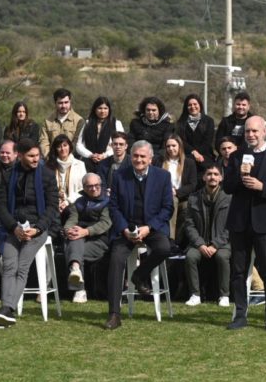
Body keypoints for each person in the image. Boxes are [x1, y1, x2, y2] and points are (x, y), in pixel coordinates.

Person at [224, 116, 266, 331]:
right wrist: (240, 175)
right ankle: (240, 315)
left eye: (254, 131)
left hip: (265, 224)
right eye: (247, 132)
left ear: (264, 132)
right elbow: (227, 187)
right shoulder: (236, 157)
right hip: (240, 223)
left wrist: (262, 186)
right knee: (238, 271)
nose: (251, 135)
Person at [0, 138, 59, 329]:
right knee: (9, 265)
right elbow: (1, 206)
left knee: (22, 267)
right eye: (31, 156)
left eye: (38, 155)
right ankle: (7, 310)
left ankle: (7, 309)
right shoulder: (9, 175)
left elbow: (52, 207)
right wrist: (14, 228)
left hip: (38, 229)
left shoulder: (47, 175)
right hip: (13, 228)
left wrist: (37, 229)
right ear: (20, 155)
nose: (36, 159)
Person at [105, 140, 174, 330]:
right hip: (126, 228)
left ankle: (138, 275)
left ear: (151, 159)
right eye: (135, 156)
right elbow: (113, 207)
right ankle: (114, 314)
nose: (139, 159)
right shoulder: (119, 176)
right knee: (116, 259)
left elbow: (168, 208)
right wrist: (125, 229)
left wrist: (148, 228)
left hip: (151, 228)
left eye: (143, 156)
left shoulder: (163, 177)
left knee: (164, 248)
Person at [182, 164, 232, 307]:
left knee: (222, 257)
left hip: (222, 243)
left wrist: (216, 244)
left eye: (216, 174)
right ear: (204, 177)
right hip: (199, 243)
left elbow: (231, 226)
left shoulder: (229, 198)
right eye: (209, 174)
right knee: (191, 257)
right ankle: (195, 294)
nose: (212, 177)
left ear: (221, 178)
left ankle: (224, 295)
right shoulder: (193, 198)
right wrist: (200, 244)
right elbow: (189, 225)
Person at [63, 172, 111, 304]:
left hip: (100, 241)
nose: (94, 188)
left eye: (96, 185)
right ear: (84, 187)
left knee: (73, 249)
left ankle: (79, 288)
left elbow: (105, 223)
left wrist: (85, 231)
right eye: (90, 186)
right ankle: (76, 269)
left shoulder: (108, 202)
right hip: (80, 239)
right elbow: (72, 219)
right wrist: (68, 230)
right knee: (74, 240)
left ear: (101, 185)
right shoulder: (78, 203)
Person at [154, 134, 197, 242]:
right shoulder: (159, 161)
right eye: (168, 146)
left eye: (174, 145)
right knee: (172, 201)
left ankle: (180, 241)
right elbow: (154, 181)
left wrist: (176, 191)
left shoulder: (189, 162)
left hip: (182, 197)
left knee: (187, 207)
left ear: (180, 146)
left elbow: (192, 184)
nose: (171, 148)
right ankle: (170, 240)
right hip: (163, 198)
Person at [75, 96, 124, 173]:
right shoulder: (87, 123)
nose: (102, 111)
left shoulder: (116, 124)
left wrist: (104, 155)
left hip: (110, 164)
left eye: (105, 108)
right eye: (100, 108)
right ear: (95, 109)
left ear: (109, 109)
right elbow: (79, 145)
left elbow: (121, 144)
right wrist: (91, 155)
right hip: (88, 164)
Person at [46, 134, 87, 218]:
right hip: (53, 206)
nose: (63, 149)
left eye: (65, 145)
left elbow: (83, 188)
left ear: (70, 146)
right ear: (55, 149)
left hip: (74, 205)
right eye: (59, 146)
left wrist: (67, 201)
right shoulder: (49, 166)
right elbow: (46, 188)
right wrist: (57, 202)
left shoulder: (80, 164)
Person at [175, 94, 216, 175]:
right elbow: (181, 141)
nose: (192, 107)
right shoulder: (180, 123)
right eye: (189, 105)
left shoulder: (209, 121)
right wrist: (193, 152)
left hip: (205, 155)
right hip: (187, 155)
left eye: (195, 104)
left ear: (200, 105)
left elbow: (207, 141)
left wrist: (198, 154)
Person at [39, 87, 85, 158]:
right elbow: (44, 142)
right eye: (60, 103)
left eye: (66, 102)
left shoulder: (79, 121)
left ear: (70, 101)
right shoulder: (47, 121)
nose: (63, 106)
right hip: (51, 161)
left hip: (72, 161)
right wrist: (49, 158)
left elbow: (77, 143)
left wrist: (65, 159)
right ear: (55, 103)